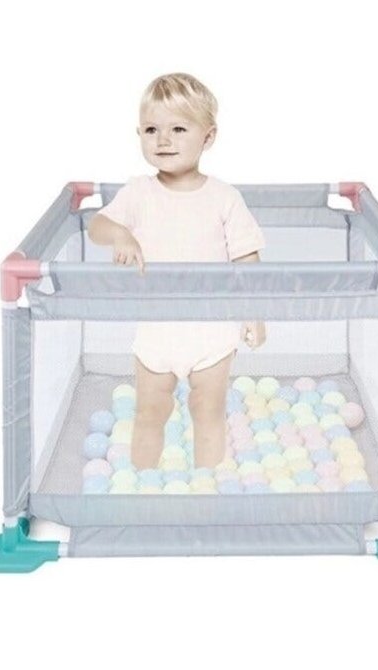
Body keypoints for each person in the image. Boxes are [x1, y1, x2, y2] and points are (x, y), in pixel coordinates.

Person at [88, 72, 266, 471]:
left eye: (178, 129)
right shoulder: (138, 192)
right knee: (149, 411)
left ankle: (206, 484)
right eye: (151, 130)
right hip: (157, 328)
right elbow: (97, 225)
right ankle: (143, 483)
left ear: (208, 136)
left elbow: (246, 260)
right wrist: (120, 234)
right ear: (139, 134)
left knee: (208, 411)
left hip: (213, 329)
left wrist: (255, 314)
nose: (163, 140)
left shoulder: (224, 197)